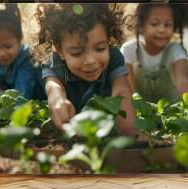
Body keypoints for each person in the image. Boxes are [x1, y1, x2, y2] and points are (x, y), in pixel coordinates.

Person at [35, 3, 136, 136]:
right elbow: (53, 87)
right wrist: (58, 100)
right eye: (76, 53)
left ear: (109, 41)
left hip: (106, 130)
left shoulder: (114, 57)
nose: (90, 61)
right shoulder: (55, 61)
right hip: (71, 131)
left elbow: (121, 88)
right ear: (59, 50)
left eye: (100, 49)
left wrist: (128, 128)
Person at [120, 3, 188, 103]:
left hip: (170, 112)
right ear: (140, 25)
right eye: (154, 24)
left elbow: (184, 82)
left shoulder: (175, 50)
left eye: (167, 24)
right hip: (140, 112)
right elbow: (128, 91)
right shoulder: (128, 50)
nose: (161, 30)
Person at [0, 3, 46, 100]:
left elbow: (22, 93)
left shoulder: (27, 60)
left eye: (8, 46)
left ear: (20, 41)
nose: (1, 54)